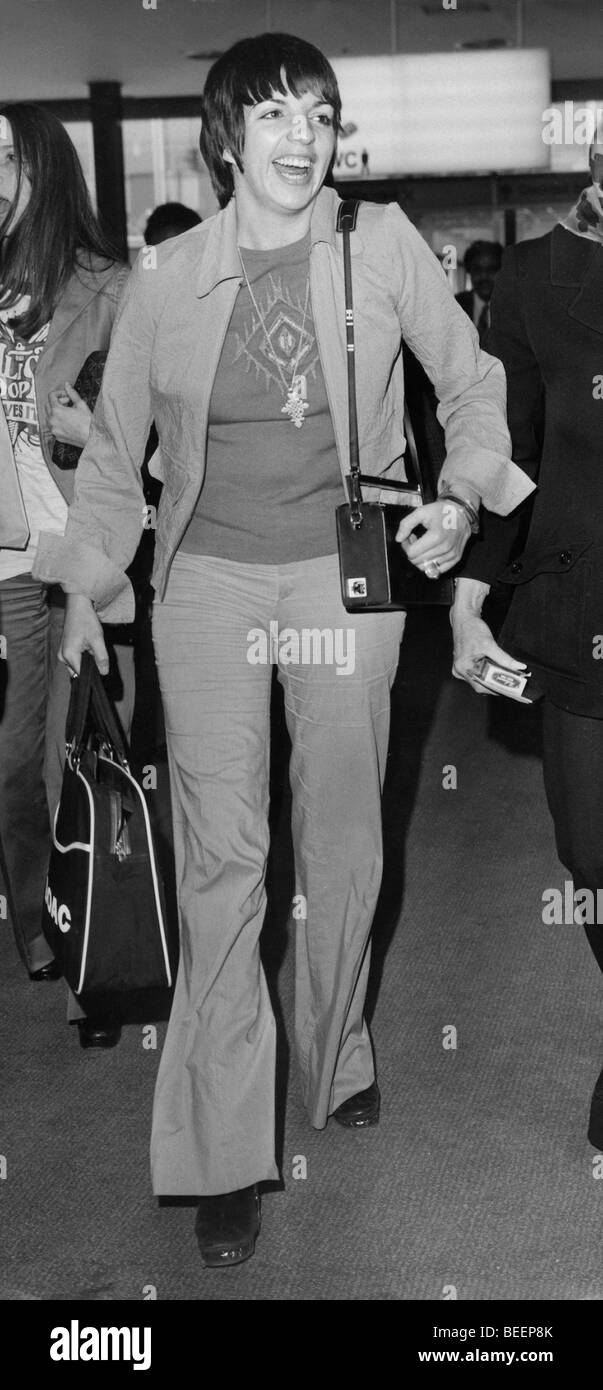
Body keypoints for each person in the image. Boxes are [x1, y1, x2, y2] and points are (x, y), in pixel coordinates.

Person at [33, 33, 533, 1267]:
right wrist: (90, 588)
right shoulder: (167, 278)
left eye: (318, 111)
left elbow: (473, 385)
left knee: (349, 830)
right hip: (206, 581)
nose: (302, 135)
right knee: (222, 863)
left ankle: (337, 1047)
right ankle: (222, 1147)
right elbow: (114, 463)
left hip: (343, 578)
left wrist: (462, 498)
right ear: (224, 140)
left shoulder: (385, 246)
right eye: (273, 115)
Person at [451, 133, 603, 1153]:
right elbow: (514, 453)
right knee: (590, 849)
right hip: (578, 607)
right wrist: (468, 602)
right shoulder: (540, 281)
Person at [0, 103, 132, 1048]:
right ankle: (41, 921)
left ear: (45, 169)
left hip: (84, 553)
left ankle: (102, 942)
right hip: (5, 563)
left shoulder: (112, 289)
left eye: (5, 158)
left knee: (81, 760)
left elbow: (147, 442)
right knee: (13, 762)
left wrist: (101, 435)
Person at [456, 240, 503, 345]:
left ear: (502, 271)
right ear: (469, 271)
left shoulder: (515, 309)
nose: (484, 276)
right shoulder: (455, 306)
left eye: (491, 270)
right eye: (477, 269)